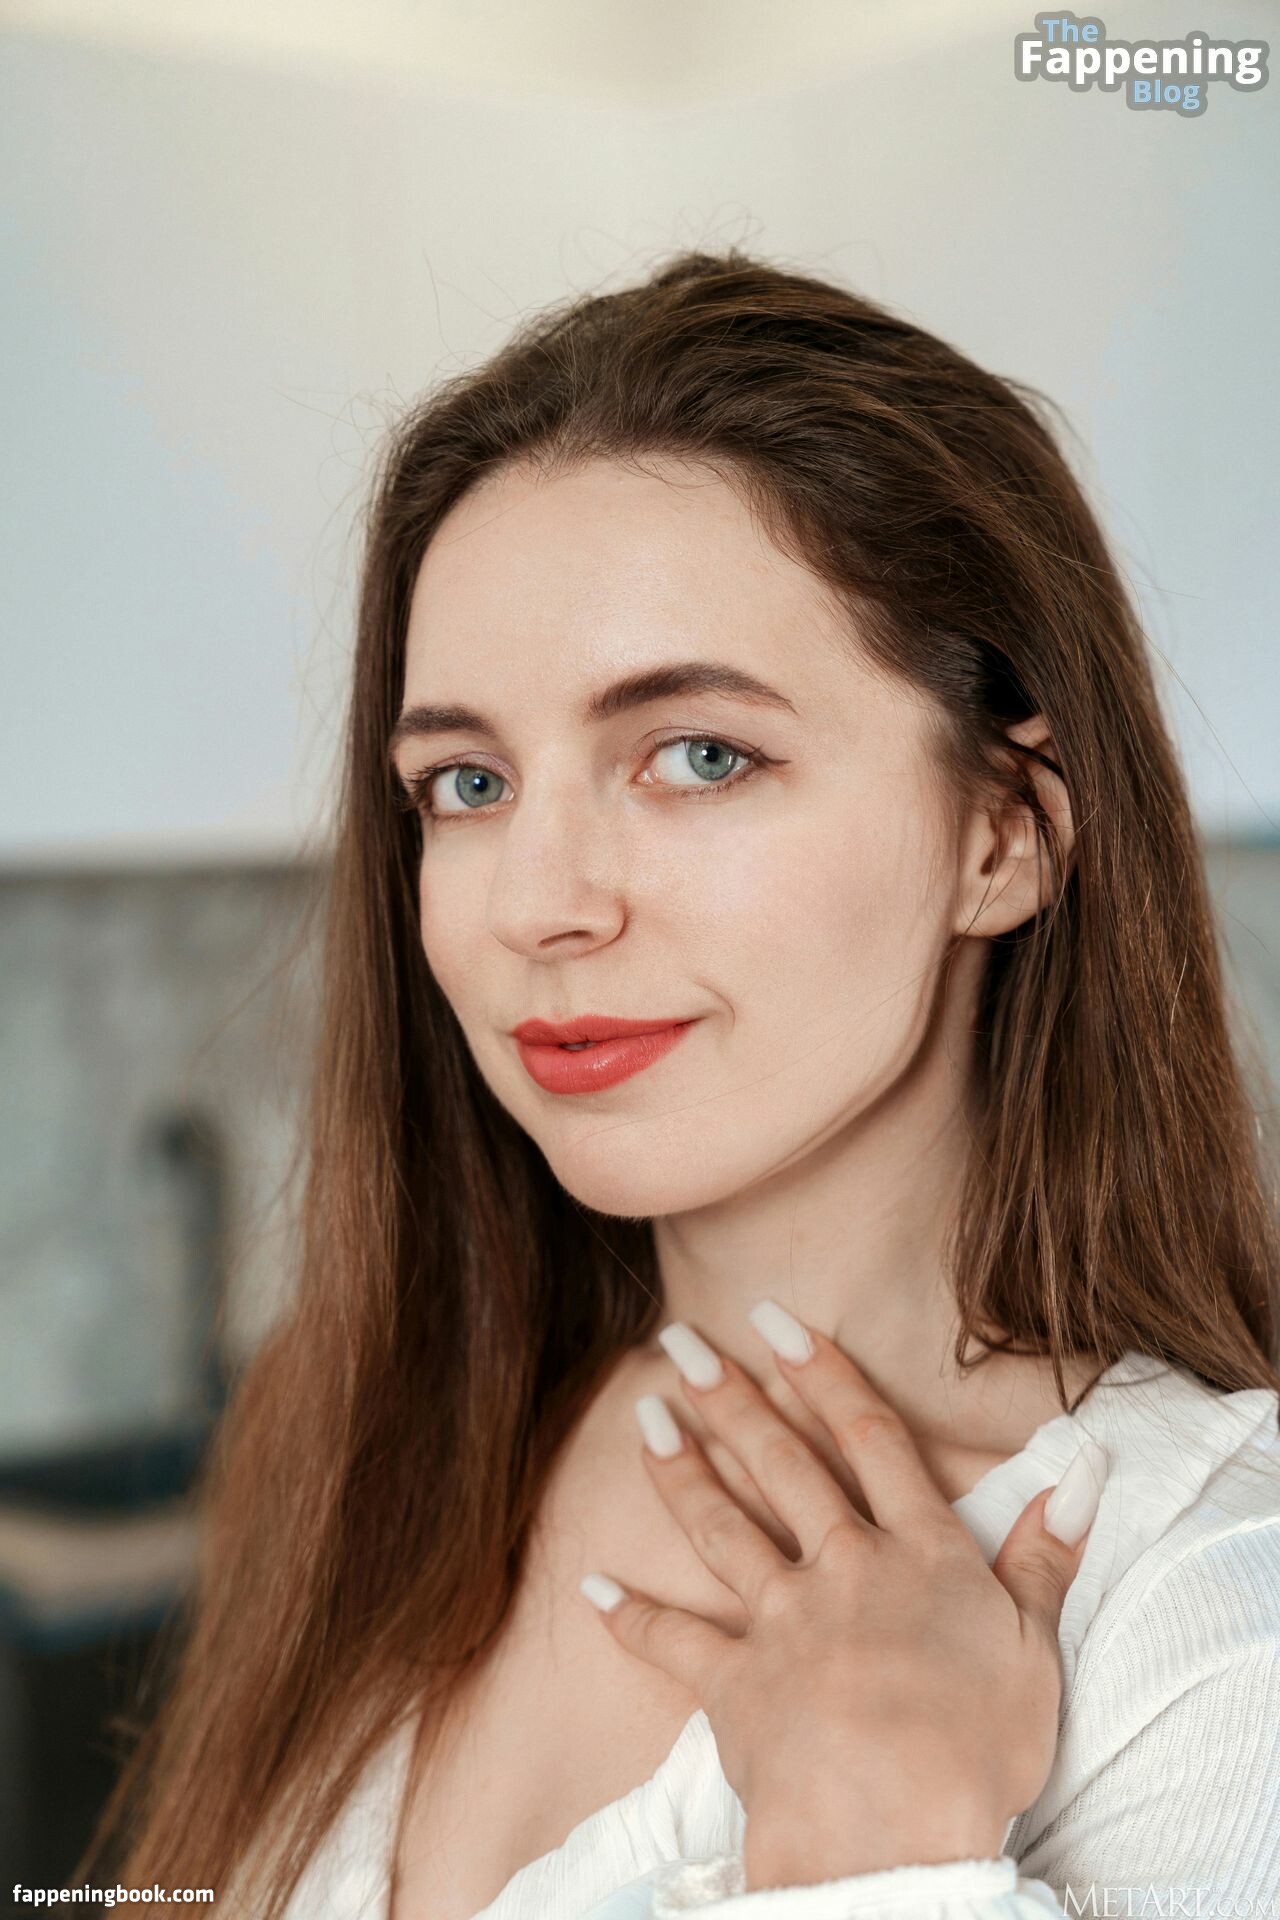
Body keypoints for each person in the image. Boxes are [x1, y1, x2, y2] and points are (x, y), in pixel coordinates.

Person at [83, 249, 1280, 1920]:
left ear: (1004, 834)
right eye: (467, 783)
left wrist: (883, 1859)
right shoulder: (372, 1436)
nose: (538, 904)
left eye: (700, 756)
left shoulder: (1206, 1614)